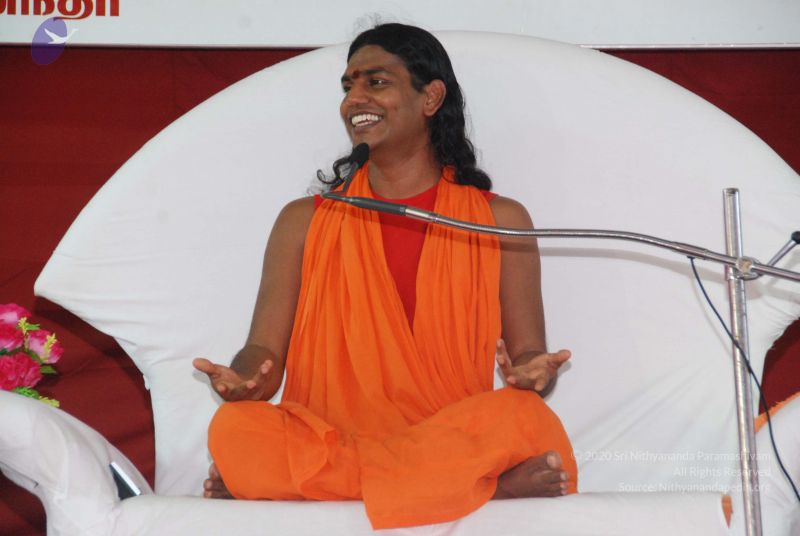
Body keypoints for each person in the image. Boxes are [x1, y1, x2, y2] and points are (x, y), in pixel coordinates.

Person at [193, 22, 577, 530]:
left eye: (375, 82)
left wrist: (533, 372)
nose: (354, 99)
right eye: (348, 85)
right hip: (333, 437)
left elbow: (528, 354)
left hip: (448, 435)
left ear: (431, 97)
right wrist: (245, 379)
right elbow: (263, 351)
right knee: (236, 428)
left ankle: (312, 485)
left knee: (526, 419)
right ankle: (478, 486)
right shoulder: (303, 221)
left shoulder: (498, 219)